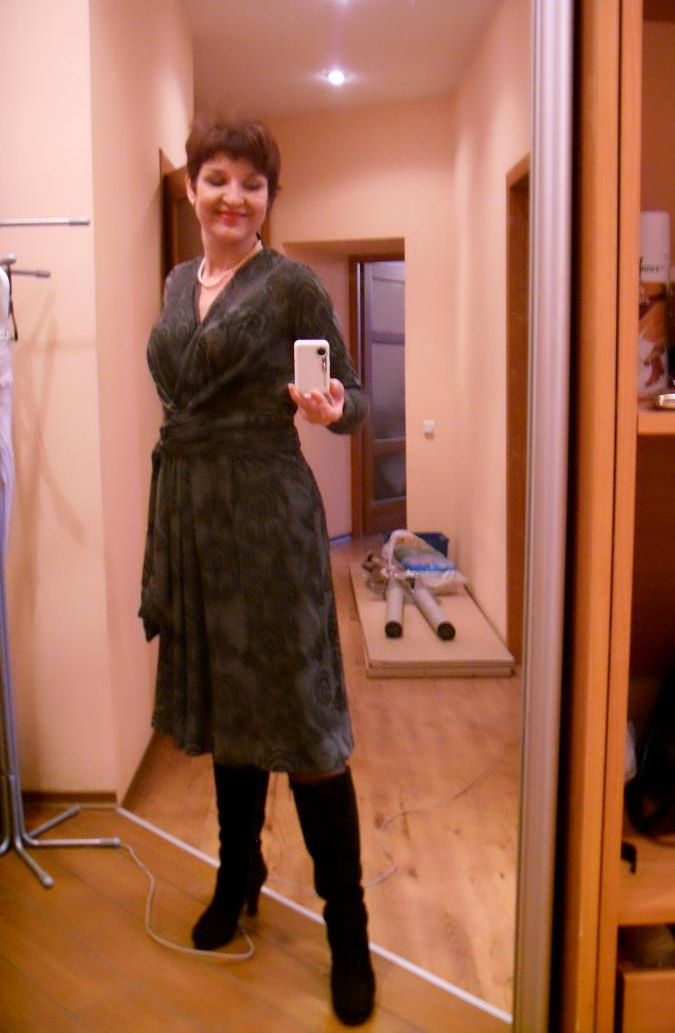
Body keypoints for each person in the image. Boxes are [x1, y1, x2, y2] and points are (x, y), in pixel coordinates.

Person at [139, 114, 374, 1026]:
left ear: (271, 197)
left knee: (305, 721)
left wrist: (329, 408)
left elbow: (356, 400)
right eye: (217, 179)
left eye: (252, 183)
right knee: (229, 707)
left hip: (270, 517)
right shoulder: (176, 281)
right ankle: (239, 871)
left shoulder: (292, 286)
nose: (233, 197)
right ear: (191, 188)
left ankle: (347, 928)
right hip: (195, 516)